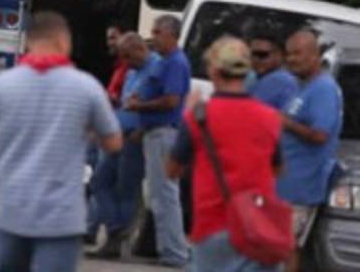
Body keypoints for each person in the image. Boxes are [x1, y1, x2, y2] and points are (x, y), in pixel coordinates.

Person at [0, 11, 122, 272]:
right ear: (64, 42)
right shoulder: (87, 88)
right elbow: (114, 142)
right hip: (62, 218)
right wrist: (85, 132)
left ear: (28, 42)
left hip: (11, 211)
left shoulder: (1, 85)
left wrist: (3, 140)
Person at [166, 36, 285, 272]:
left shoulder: (199, 116)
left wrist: (187, 113)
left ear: (213, 71)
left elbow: (172, 169)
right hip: (259, 224)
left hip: (213, 224)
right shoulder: (270, 117)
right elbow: (277, 169)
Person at [124, 14, 191, 268]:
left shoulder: (175, 62)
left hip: (164, 133)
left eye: (157, 32)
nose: (153, 38)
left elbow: (171, 100)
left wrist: (139, 106)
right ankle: (170, 249)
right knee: (160, 195)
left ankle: (174, 252)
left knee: (165, 195)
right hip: (155, 132)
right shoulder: (165, 61)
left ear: (172, 35)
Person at [277, 28, 343, 272]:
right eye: (288, 54)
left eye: (298, 53)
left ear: (315, 55)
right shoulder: (303, 87)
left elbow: (320, 135)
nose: (291, 59)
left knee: (287, 248)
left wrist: (286, 124)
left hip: (301, 186)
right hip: (284, 183)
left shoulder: (323, 89)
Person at [88, 32, 153, 260]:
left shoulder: (155, 69)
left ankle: (116, 239)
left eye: (128, 55)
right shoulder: (132, 71)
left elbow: (163, 102)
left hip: (134, 138)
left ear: (139, 49)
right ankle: (116, 227)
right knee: (99, 182)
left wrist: (142, 128)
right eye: (122, 56)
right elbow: (127, 102)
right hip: (119, 133)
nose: (125, 61)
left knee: (126, 189)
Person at [248, 30, 299, 111]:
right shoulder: (253, 78)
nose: (255, 59)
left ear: (279, 55)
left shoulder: (281, 80)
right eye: (252, 54)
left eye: (262, 54)